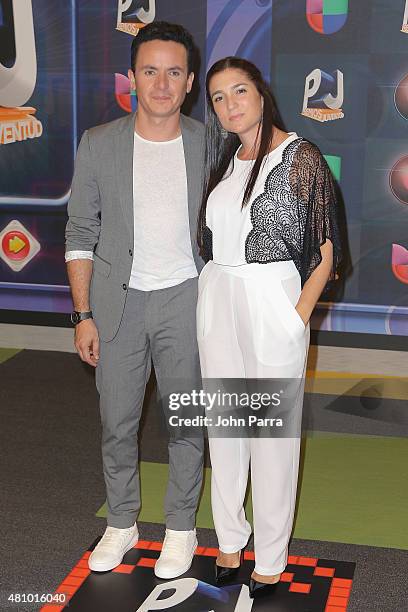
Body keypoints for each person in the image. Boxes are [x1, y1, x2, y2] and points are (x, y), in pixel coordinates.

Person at [65, 22, 205, 579]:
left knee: (186, 421)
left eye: (174, 72)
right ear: (132, 78)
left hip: (186, 301)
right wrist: (83, 315)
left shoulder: (210, 141)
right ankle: (122, 523)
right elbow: (80, 232)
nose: (162, 84)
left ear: (190, 81)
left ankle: (181, 529)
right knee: (116, 422)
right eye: (151, 71)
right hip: (117, 305)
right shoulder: (98, 143)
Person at [197, 57, 341, 599]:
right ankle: (230, 541)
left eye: (239, 91)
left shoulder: (301, 157)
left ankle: (272, 556)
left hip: (273, 298)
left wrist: (293, 318)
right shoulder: (226, 161)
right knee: (226, 429)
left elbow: (325, 254)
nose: (230, 104)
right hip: (219, 298)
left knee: (272, 438)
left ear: (261, 94)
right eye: (217, 97)